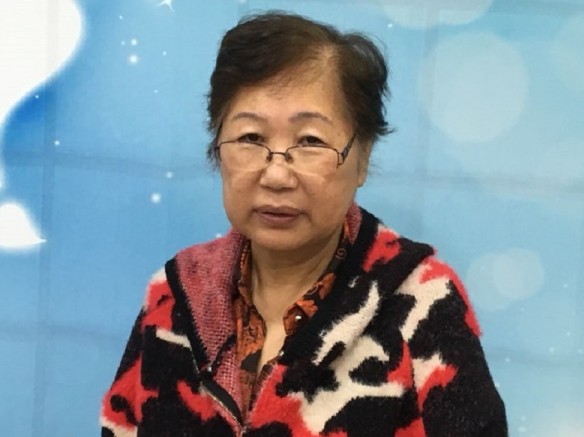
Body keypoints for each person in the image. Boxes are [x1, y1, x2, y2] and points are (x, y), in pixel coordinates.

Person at [100, 11, 507, 437]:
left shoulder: (422, 303)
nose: (276, 175)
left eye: (310, 141)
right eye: (251, 138)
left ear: (363, 156)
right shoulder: (175, 295)